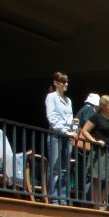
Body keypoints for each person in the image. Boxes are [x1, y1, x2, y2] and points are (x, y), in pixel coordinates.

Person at [44, 71, 76, 204]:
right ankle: (54, 198)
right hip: (56, 134)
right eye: (63, 82)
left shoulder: (68, 100)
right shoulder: (51, 97)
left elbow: (71, 119)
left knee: (65, 168)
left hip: (67, 136)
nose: (66, 84)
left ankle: (62, 198)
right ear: (56, 83)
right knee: (55, 167)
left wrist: (73, 131)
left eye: (67, 82)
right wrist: (64, 130)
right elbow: (52, 117)